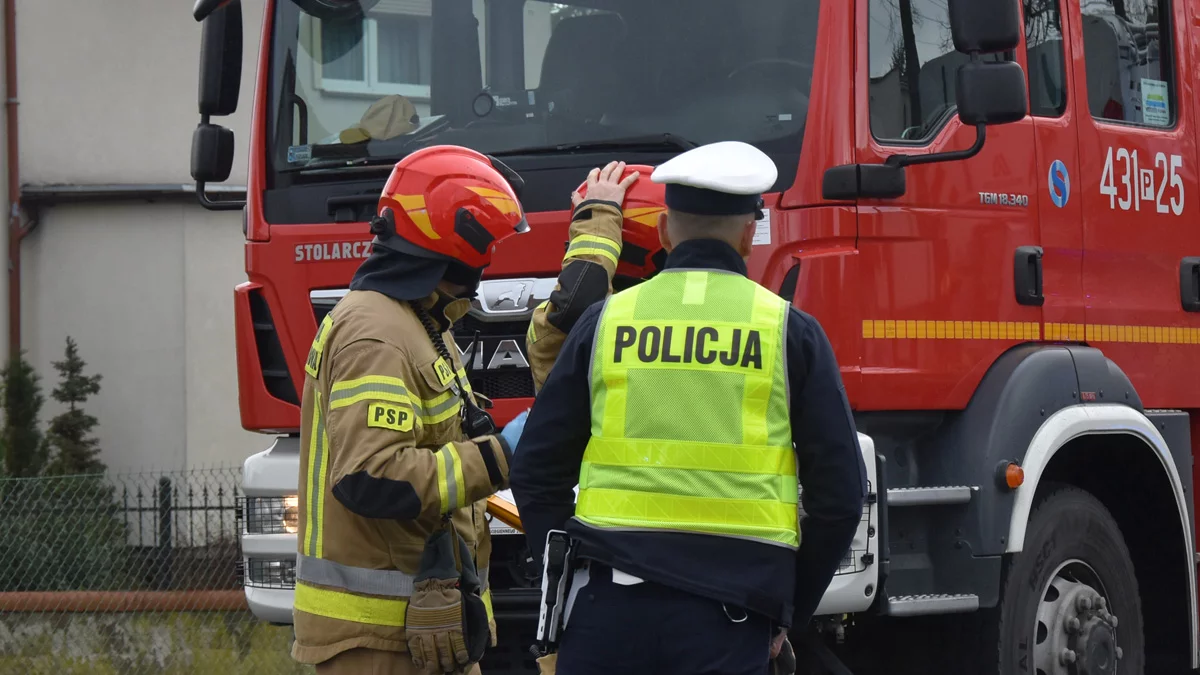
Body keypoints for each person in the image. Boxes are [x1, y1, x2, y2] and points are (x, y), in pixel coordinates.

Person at [508, 141, 868, 675]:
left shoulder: (604, 322)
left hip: (605, 612)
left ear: (663, 233)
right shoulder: (789, 331)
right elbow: (839, 499)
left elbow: (535, 470)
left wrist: (566, 577)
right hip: (731, 618)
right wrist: (784, 609)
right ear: (749, 236)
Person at [291, 145, 526, 675]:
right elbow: (374, 479)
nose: (489, 259)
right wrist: (499, 455)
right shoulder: (378, 335)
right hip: (380, 643)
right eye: (486, 242)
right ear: (455, 240)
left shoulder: (417, 322)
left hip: (421, 632)